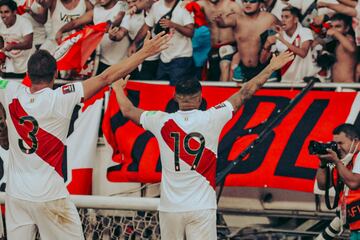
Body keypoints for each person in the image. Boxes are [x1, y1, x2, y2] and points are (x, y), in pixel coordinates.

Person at [0, 31, 169, 239]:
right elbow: (105, 77)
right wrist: (145, 52)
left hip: (16, 195)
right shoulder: (61, 98)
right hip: (50, 196)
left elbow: (5, 83)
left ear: (28, 72)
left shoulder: (10, 91)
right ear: (55, 75)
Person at [112, 51, 293, 240]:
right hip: (201, 207)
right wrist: (271, 67)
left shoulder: (160, 120)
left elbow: (127, 110)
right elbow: (245, 92)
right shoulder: (212, 117)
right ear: (199, 97)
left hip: (170, 209)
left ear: (175, 97)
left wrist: (117, 88)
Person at [215, 0, 279, 82]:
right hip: (243, 69)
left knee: (268, 95)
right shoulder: (237, 18)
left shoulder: (269, 18)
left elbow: (284, 28)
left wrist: (273, 41)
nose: (248, 4)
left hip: (265, 68)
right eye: (245, 1)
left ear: (260, 3)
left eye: (252, 1)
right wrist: (218, 20)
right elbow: (222, 23)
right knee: (240, 94)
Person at [315, 123, 360, 239]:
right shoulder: (344, 162)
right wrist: (322, 164)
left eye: (341, 143)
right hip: (355, 226)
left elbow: (354, 183)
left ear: (355, 141)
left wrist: (336, 161)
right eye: (336, 144)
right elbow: (323, 185)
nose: (338, 147)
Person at [260, 6, 319, 82]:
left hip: (306, 81)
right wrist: (267, 45)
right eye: (282, 17)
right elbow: (262, 61)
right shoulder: (279, 34)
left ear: (295, 20)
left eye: (287, 17)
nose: (283, 20)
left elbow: (303, 53)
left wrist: (283, 40)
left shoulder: (305, 31)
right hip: (286, 81)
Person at [197, 0, 242, 81]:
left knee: (226, 69)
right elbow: (185, 6)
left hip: (230, 46)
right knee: (213, 77)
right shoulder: (203, 4)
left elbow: (245, 22)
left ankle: (226, 93)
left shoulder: (232, 5)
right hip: (213, 48)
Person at [0, 0, 34, 78]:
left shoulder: (25, 23)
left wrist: (12, 46)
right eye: (1, 12)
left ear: (14, 12)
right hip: (10, 61)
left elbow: (28, 44)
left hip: (26, 62)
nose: (3, 15)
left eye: (6, 12)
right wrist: (2, 51)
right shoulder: (1, 24)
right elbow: (1, 38)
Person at [327, 13, 356, 83]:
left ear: (347, 28)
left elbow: (352, 48)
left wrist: (336, 33)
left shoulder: (349, 38)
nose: (334, 29)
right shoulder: (338, 41)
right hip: (337, 85)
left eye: (338, 26)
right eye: (332, 26)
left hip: (347, 85)